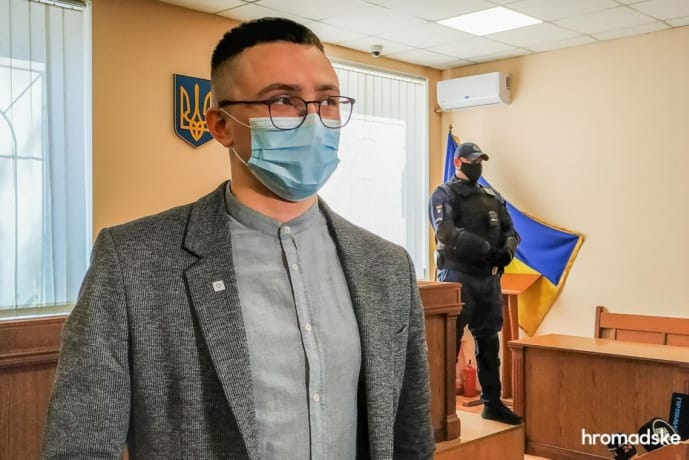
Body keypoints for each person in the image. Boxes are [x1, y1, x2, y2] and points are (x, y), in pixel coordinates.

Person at [42, 17, 434, 460]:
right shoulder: (133, 261)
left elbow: (410, 438)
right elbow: (80, 444)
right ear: (221, 125)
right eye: (283, 100)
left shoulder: (386, 265)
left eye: (327, 101)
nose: (313, 120)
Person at [428, 141, 522, 425]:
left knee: (489, 341)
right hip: (458, 277)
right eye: (472, 161)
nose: (477, 165)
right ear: (458, 162)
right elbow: (446, 232)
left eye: (480, 161)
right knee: (447, 343)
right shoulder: (444, 193)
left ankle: (492, 403)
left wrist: (507, 251)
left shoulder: (491, 196)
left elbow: (511, 231)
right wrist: (485, 249)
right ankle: (438, 411)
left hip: (488, 279)